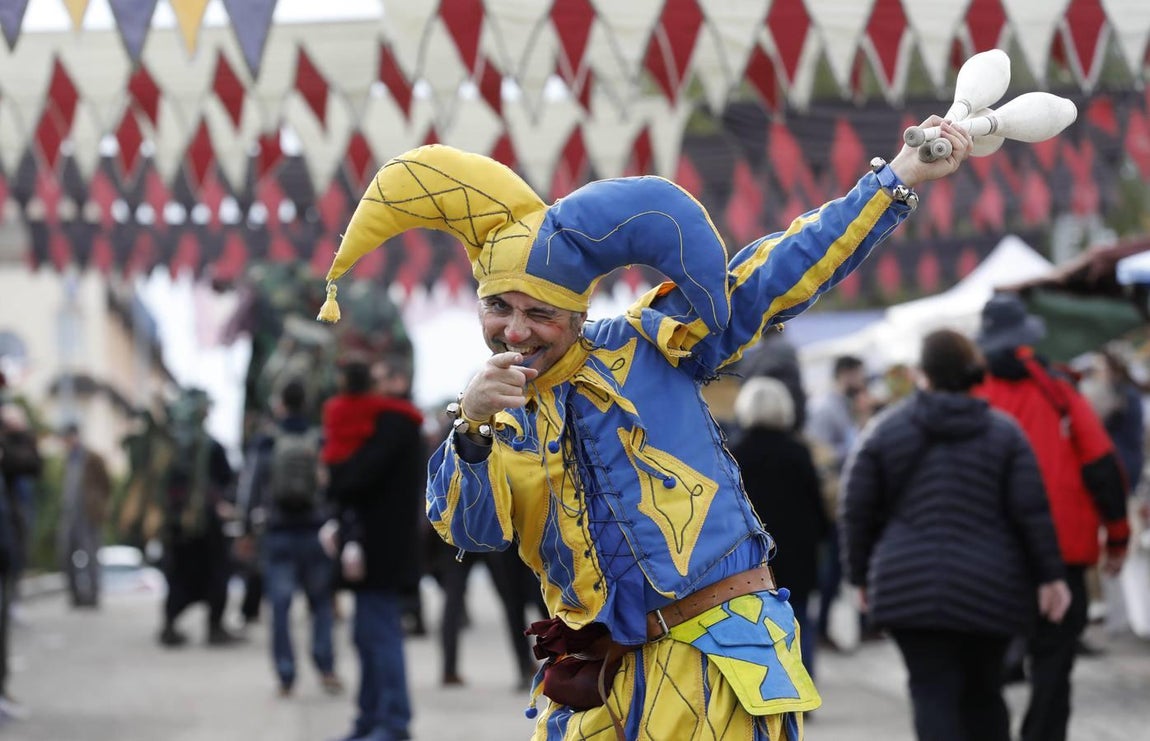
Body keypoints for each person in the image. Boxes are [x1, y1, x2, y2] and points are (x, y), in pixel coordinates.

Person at [315, 123, 973, 740]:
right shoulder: (496, 416)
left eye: (538, 312)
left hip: (716, 657)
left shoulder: (652, 342)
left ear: (574, 311)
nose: (514, 331)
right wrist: (472, 426)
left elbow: (778, 271)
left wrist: (898, 178)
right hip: (600, 682)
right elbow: (470, 529)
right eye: (498, 307)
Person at [839, 329, 1070, 741]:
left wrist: (859, 576)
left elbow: (856, 510)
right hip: (991, 586)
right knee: (985, 695)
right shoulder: (1005, 434)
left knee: (931, 694)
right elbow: (1031, 512)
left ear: (921, 374)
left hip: (907, 585)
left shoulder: (883, 431)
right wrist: (1051, 577)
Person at [974, 293, 1130, 741]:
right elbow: (1101, 463)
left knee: (984, 664)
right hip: (1064, 549)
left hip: (992, 552)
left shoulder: (969, 391)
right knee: (1054, 663)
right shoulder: (1057, 387)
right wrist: (1117, 538)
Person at [321, 358, 425, 741]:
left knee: (379, 637)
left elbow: (354, 478)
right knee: (367, 636)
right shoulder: (389, 421)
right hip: (375, 549)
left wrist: (334, 472)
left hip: (381, 550)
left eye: (379, 376)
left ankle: (392, 721)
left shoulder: (395, 423)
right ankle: (370, 718)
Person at [728, 377, 828, 680]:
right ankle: (804, 683)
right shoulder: (799, 452)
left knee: (755, 620)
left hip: (753, 554)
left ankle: (767, 688)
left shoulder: (735, 453)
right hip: (798, 549)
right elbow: (816, 505)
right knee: (799, 618)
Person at [246, 379, 342, 697]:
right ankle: (326, 667)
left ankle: (286, 675)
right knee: (321, 606)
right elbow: (333, 486)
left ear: (280, 405)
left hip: (278, 534)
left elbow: (251, 488)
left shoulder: (267, 441)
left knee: (280, 608)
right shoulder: (319, 439)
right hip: (315, 532)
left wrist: (245, 527)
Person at [156, 389, 242, 648]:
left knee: (178, 575)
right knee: (216, 572)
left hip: (176, 524)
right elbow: (227, 481)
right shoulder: (209, 446)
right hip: (207, 525)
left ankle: (170, 625)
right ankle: (214, 627)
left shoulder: (170, 448)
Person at [805, 355, 869, 650]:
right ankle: (822, 628)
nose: (862, 381)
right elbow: (821, 453)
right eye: (858, 375)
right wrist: (856, 447)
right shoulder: (825, 407)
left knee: (841, 565)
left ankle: (853, 625)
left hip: (845, 495)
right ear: (845, 374)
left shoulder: (843, 405)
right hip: (834, 500)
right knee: (834, 566)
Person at [57, 422, 112, 608]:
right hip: (70, 514)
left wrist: (100, 505)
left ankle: (93, 596)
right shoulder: (68, 458)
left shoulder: (92, 457)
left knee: (91, 555)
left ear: (74, 436)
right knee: (66, 554)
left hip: (89, 514)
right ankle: (76, 597)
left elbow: (106, 484)